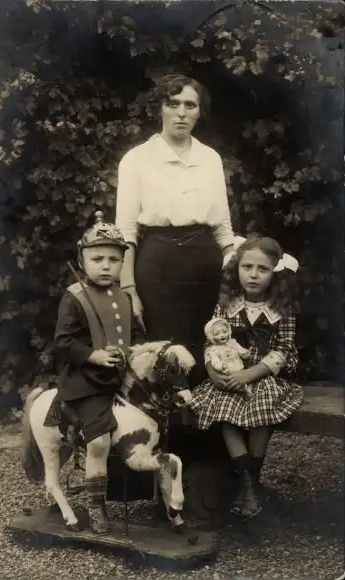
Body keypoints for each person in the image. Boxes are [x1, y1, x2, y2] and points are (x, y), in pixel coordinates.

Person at [115, 73, 235, 387]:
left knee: (207, 342)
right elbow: (126, 230)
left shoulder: (210, 159)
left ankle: (206, 434)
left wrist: (232, 273)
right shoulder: (137, 159)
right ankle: (167, 434)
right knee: (164, 348)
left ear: (199, 112)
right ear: (161, 109)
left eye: (190, 105)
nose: (181, 112)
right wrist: (128, 288)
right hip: (158, 261)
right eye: (173, 103)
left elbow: (223, 227)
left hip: (205, 261)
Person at [189, 235, 304, 520]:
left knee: (262, 409)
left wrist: (250, 373)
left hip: (265, 374)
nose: (253, 275)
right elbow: (211, 341)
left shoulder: (282, 309)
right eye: (247, 267)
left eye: (262, 269)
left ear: (275, 273)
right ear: (236, 268)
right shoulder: (227, 305)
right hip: (231, 372)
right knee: (222, 409)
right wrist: (214, 370)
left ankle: (253, 480)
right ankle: (247, 484)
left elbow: (284, 350)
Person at [54, 212, 144, 534]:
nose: (105, 265)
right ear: (83, 260)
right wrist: (93, 356)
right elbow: (63, 342)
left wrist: (139, 354)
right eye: (97, 258)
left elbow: (135, 335)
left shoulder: (123, 296)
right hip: (86, 383)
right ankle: (96, 507)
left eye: (113, 259)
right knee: (100, 442)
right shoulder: (74, 296)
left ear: (122, 263)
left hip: (120, 380)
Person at [203, 317, 253, 399]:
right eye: (217, 334)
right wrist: (220, 366)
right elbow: (215, 362)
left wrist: (244, 353)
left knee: (246, 380)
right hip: (228, 373)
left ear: (228, 331)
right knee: (230, 384)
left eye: (224, 331)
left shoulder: (233, 342)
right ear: (211, 336)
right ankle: (240, 393)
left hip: (240, 369)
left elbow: (240, 349)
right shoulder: (213, 350)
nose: (222, 335)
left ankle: (248, 389)